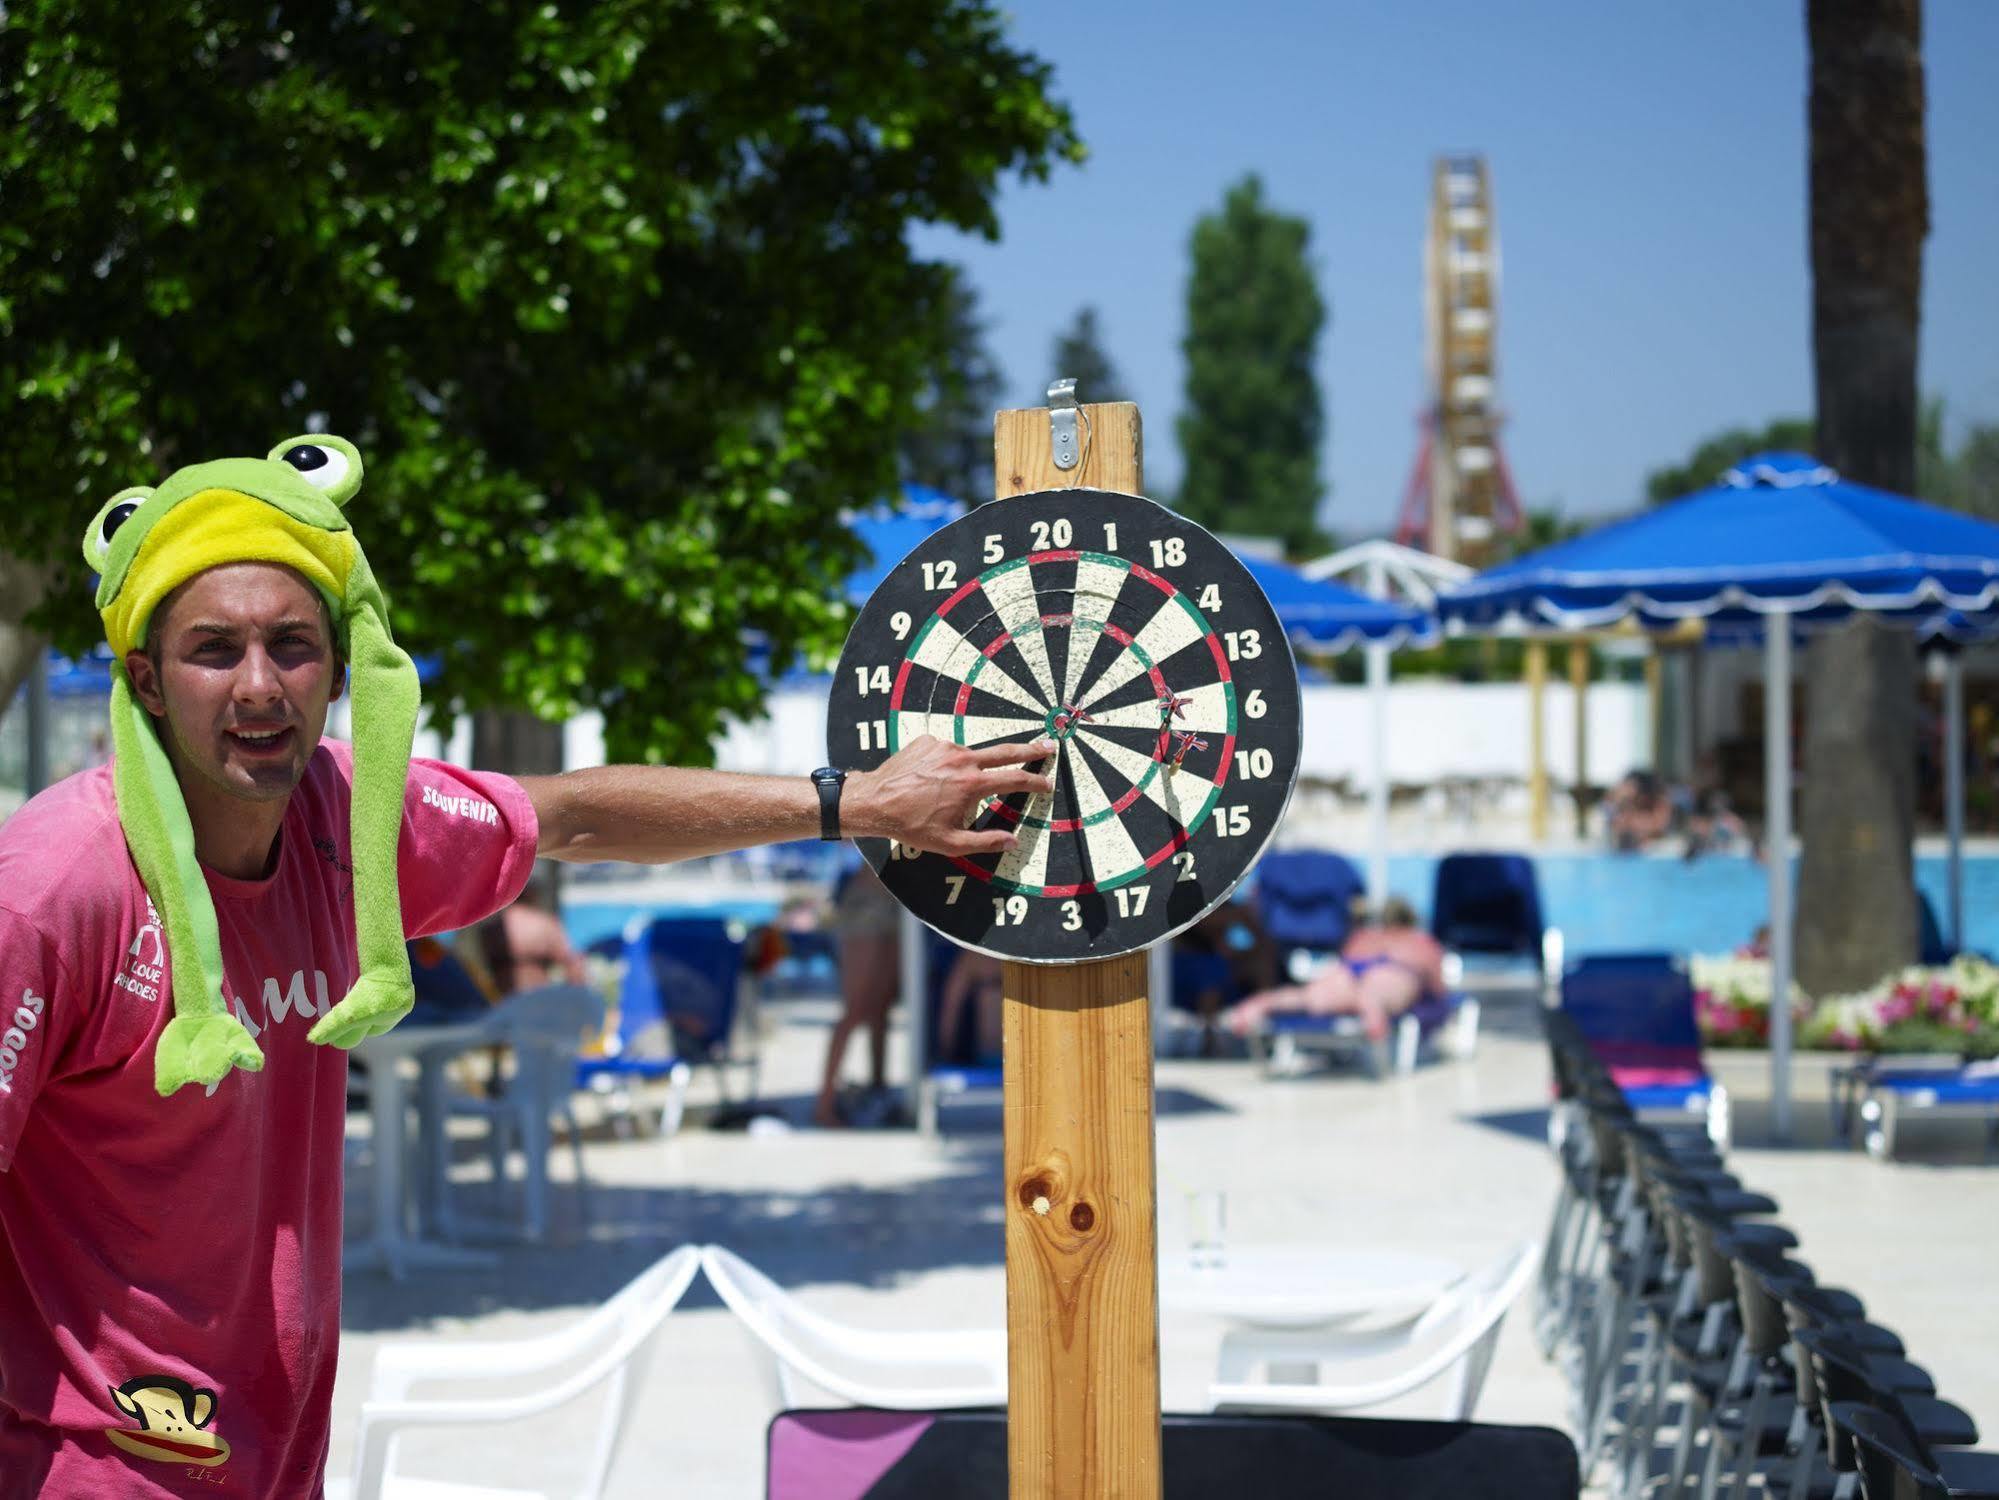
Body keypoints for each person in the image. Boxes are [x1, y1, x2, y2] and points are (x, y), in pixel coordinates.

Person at [0, 436, 1052, 1497]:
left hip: (277, 1455)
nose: (262, 686)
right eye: (214, 650)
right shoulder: (53, 889)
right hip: (80, 1463)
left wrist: (854, 804)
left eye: (295, 644)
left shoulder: (350, 820)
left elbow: (575, 815)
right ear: (142, 676)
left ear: (343, 656)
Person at [1223, 897, 1447, 1043]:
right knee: (1376, 992)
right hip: (1395, 969)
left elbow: (1346, 957)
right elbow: (1437, 989)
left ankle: (1260, 1004)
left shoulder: (1365, 937)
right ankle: (1372, 1013)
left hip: (1349, 970)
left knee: (1308, 997)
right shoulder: (1422, 942)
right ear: (1412, 920)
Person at [813, 861, 902, 1128]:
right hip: (869, 899)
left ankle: (877, 1090)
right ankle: (824, 1105)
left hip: (896, 898)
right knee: (855, 1009)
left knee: (881, 1009)